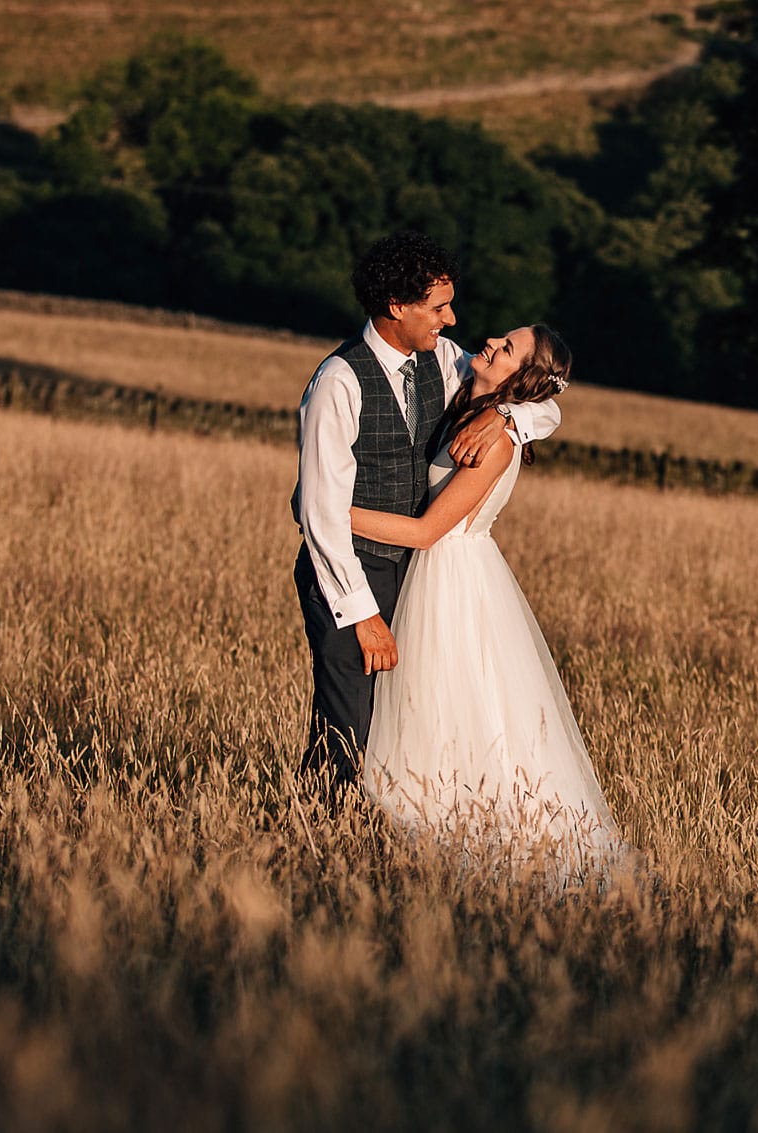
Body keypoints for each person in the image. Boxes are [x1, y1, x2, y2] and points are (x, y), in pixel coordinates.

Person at [292, 231, 559, 799]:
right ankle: (322, 836)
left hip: (412, 571)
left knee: (392, 722)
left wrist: (509, 418)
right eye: (438, 307)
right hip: (347, 572)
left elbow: (545, 395)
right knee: (349, 719)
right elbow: (320, 514)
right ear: (397, 307)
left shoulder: (441, 359)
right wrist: (363, 616)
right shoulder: (338, 383)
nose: (453, 319)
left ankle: (337, 828)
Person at [349, 324, 623, 876]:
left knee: (449, 707)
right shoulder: (466, 386)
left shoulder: (497, 439)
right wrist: (505, 408)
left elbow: (428, 532)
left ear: (520, 380)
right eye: (505, 335)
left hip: (452, 575)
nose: (494, 342)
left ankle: (456, 840)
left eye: (509, 349)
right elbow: (545, 406)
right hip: (436, 571)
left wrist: (331, 514)